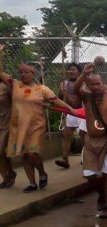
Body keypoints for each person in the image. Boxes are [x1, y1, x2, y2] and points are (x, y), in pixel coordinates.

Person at [2, 63, 78, 192]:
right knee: (25, 154)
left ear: (33, 74)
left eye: (27, 72)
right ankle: (32, 183)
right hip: (19, 126)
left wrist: (71, 109)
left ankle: (42, 173)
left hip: (36, 125)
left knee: (32, 153)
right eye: (21, 72)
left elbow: (56, 101)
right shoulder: (15, 85)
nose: (23, 74)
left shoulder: (42, 89)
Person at [72, 64, 107, 218]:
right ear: (88, 85)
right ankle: (102, 194)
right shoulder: (86, 96)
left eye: (98, 83)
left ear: (103, 83)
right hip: (90, 141)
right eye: (92, 84)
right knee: (89, 175)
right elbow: (75, 89)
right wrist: (83, 74)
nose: (96, 86)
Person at [55, 63, 85, 169]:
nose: (71, 71)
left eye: (73, 69)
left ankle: (86, 157)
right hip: (69, 113)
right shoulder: (64, 83)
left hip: (82, 112)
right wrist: (62, 94)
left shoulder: (83, 83)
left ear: (79, 72)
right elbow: (59, 98)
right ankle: (65, 159)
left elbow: (77, 103)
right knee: (66, 136)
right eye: (69, 69)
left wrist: (67, 95)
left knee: (84, 136)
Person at [0, 45, 17, 189]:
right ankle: (7, 177)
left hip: (5, 123)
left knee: (1, 151)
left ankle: (9, 174)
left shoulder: (7, 86)